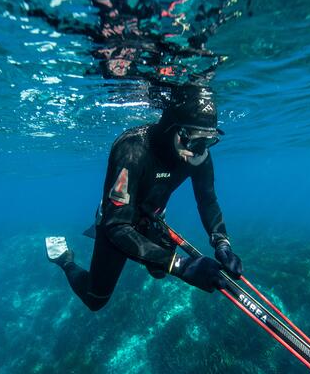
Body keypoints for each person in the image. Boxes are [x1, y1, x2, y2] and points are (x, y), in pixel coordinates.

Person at [49, 86, 243, 311]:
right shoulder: (132, 149)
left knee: (159, 272)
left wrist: (222, 243)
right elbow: (117, 226)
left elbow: (207, 199)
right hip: (118, 222)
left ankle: (158, 258)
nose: (197, 151)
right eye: (192, 140)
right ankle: (64, 259)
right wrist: (179, 265)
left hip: (152, 217)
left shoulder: (197, 153)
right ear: (172, 126)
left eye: (207, 141)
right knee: (95, 300)